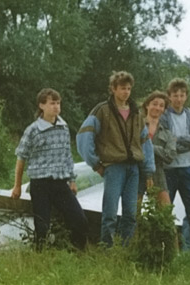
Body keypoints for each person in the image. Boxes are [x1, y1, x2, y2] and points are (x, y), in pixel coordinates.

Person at [77, 71, 154, 247]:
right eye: (122, 88)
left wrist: (148, 170)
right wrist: (95, 164)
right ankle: (107, 248)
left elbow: (145, 143)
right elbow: (84, 137)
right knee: (110, 211)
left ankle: (126, 249)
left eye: (128, 88)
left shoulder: (136, 112)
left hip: (133, 167)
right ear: (113, 89)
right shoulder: (102, 110)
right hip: (114, 166)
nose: (126, 92)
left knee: (131, 212)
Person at [11, 88, 88, 250]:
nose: (56, 107)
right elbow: (21, 158)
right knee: (42, 225)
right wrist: (17, 185)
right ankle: (41, 256)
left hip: (60, 184)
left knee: (79, 219)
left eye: (58, 103)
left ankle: (77, 252)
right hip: (40, 184)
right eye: (52, 103)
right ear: (41, 105)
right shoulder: (33, 130)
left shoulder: (64, 127)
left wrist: (72, 180)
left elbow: (67, 155)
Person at [163, 78, 190, 249]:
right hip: (168, 171)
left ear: (186, 96)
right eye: (175, 95)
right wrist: (189, 141)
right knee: (165, 213)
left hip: (189, 169)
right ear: (169, 96)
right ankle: (165, 250)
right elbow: (164, 143)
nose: (179, 99)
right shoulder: (164, 117)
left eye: (182, 95)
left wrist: (178, 140)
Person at [137, 90, 176, 209]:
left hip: (158, 173)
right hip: (136, 171)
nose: (157, 107)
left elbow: (170, 156)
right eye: (154, 103)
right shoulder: (136, 126)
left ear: (164, 110)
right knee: (133, 213)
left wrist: (148, 147)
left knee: (165, 214)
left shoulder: (168, 133)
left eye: (161, 105)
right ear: (147, 105)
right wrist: (158, 150)